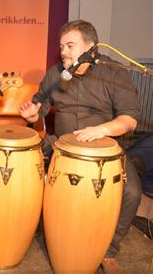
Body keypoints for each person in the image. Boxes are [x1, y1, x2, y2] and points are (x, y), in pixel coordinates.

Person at [19, 20, 142, 273]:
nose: (63, 51)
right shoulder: (56, 73)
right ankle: (33, 228)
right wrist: (33, 115)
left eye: (70, 46)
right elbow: (39, 104)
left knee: (131, 193)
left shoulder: (115, 73)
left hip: (104, 149)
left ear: (91, 48)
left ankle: (108, 251)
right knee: (23, 165)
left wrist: (102, 130)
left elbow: (129, 119)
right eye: (61, 46)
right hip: (62, 144)